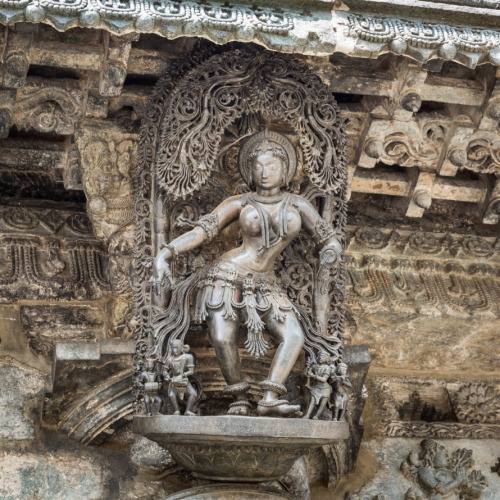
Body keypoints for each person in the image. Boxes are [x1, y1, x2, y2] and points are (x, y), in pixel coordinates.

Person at [151, 130, 342, 417]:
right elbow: (202, 231)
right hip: (227, 274)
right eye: (258, 167)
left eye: (272, 167)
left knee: (293, 335)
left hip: (266, 283)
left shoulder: (299, 205)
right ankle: (238, 396)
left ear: (285, 170)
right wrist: (166, 252)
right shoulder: (238, 203)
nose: (265, 173)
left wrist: (331, 249)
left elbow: (328, 237)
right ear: (250, 172)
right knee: (222, 336)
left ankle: (269, 397)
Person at [163, 340, 198, 416]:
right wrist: (167, 376)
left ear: (181, 348)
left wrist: (182, 375)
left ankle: (187, 411)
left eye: (177, 348)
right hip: (174, 380)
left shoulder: (188, 357)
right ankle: (176, 411)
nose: (175, 350)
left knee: (193, 394)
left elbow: (191, 371)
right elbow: (165, 370)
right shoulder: (169, 359)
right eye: (173, 348)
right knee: (171, 395)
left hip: (183, 379)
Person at [302, 352, 335, 419]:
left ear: (327, 359)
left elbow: (324, 379)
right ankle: (307, 415)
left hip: (325, 389)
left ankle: (316, 415)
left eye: (322, 356)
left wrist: (313, 376)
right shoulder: (315, 366)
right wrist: (307, 368)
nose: (320, 357)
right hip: (316, 387)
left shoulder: (327, 368)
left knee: (322, 404)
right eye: (319, 356)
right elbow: (307, 374)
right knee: (312, 401)